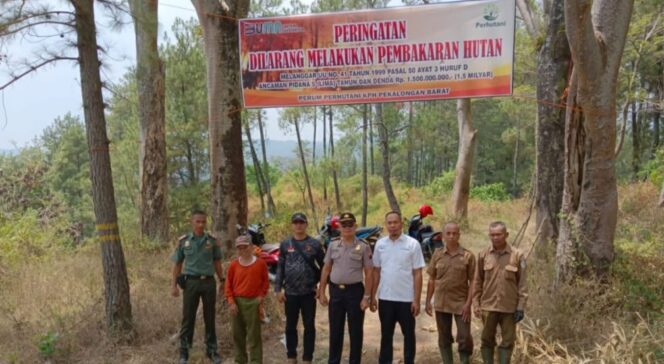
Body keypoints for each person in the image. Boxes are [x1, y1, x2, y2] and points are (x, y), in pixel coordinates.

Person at [370, 210, 425, 364]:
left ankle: (409, 361)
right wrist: (373, 296)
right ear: (386, 225)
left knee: (409, 334)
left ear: (401, 224)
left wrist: (416, 299)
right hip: (386, 298)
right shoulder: (380, 244)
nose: (393, 225)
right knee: (386, 335)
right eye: (389, 223)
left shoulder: (412, 244)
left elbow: (417, 273)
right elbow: (376, 271)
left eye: (396, 222)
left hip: (406, 299)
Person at [318, 212, 373, 364]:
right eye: (344, 225)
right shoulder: (333, 245)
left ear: (355, 226)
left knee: (355, 331)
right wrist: (322, 291)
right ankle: (334, 361)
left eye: (351, 224)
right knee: (335, 329)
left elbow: (369, 273)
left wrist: (367, 297)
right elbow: (326, 268)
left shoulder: (363, 246)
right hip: (336, 291)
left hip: (355, 292)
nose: (347, 228)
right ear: (339, 227)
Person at [171, 210, 224, 364]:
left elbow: (217, 262)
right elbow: (177, 264)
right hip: (191, 283)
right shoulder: (184, 241)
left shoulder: (212, 241)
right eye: (198, 221)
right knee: (188, 318)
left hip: (208, 282)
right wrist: (173, 285)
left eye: (203, 221)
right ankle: (184, 352)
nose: (201, 224)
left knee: (210, 317)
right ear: (192, 222)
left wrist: (222, 280)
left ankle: (212, 351)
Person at [473, 221, 528, 364]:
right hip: (488, 306)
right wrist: (476, 303)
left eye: (498, 234)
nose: (495, 237)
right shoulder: (483, 254)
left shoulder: (517, 255)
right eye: (492, 235)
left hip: (509, 307)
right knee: (486, 340)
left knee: (508, 341)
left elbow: (522, 283)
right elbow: (477, 281)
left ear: (506, 235)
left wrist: (520, 307)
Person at [274, 212, 325, 364]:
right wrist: (277, 289)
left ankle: (307, 357)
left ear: (306, 224)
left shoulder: (315, 244)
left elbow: (324, 268)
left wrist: (321, 288)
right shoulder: (285, 244)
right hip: (290, 293)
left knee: (309, 326)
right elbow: (280, 268)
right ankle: (291, 356)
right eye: (295, 222)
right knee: (290, 326)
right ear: (292, 225)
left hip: (309, 293)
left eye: (301, 222)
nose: (298, 225)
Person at [424, 222, 475, 364]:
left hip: (461, 303)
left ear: (459, 235)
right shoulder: (437, 254)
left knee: (464, 337)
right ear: (443, 235)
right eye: (448, 233)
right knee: (444, 337)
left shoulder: (468, 256)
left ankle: (465, 361)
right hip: (441, 302)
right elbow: (432, 279)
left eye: (455, 233)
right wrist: (428, 301)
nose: (452, 236)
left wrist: (468, 304)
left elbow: (473, 282)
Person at [225, 235, 270, 364]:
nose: (242, 250)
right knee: (237, 334)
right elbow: (228, 285)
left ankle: (256, 361)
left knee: (254, 335)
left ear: (251, 247)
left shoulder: (260, 264)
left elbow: (265, 283)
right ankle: (240, 360)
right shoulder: (234, 265)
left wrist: (260, 297)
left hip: (253, 302)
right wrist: (231, 302)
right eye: (239, 248)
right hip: (237, 302)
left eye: (245, 247)